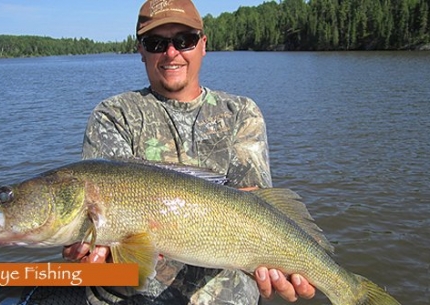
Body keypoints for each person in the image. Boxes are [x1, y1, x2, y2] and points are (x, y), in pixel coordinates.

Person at [62, 0, 316, 303]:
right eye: (156, 42)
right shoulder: (115, 114)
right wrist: (96, 256)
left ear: (203, 45)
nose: (171, 53)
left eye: (185, 40)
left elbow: (256, 198)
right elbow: (102, 215)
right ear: (140, 50)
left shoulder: (240, 112)